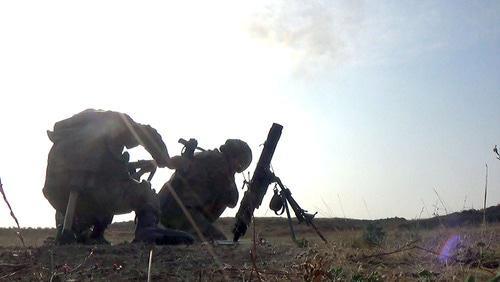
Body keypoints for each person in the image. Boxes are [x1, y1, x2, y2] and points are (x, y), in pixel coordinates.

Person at [43, 109, 194, 245]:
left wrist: (139, 165)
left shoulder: (71, 131)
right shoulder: (115, 121)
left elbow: (93, 169)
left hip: (57, 194)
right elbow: (146, 133)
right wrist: (166, 161)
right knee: (145, 192)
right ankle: (147, 230)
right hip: (98, 192)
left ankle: (73, 230)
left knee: (80, 189)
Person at [158, 139, 252, 241]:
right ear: (237, 159)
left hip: (163, 210)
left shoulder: (205, 156)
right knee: (220, 241)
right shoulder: (221, 166)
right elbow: (232, 200)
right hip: (181, 215)